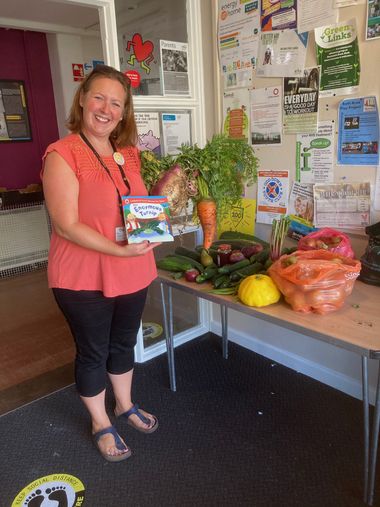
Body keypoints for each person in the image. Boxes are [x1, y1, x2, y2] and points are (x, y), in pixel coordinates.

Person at [42, 64, 160, 463]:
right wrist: (122, 250)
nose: (107, 109)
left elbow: (134, 207)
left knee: (124, 343)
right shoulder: (62, 153)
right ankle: (99, 421)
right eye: (99, 98)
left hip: (133, 270)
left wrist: (158, 220)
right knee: (93, 352)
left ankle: (124, 405)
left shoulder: (129, 154)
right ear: (82, 99)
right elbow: (67, 224)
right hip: (82, 276)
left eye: (117, 103)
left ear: (125, 112)